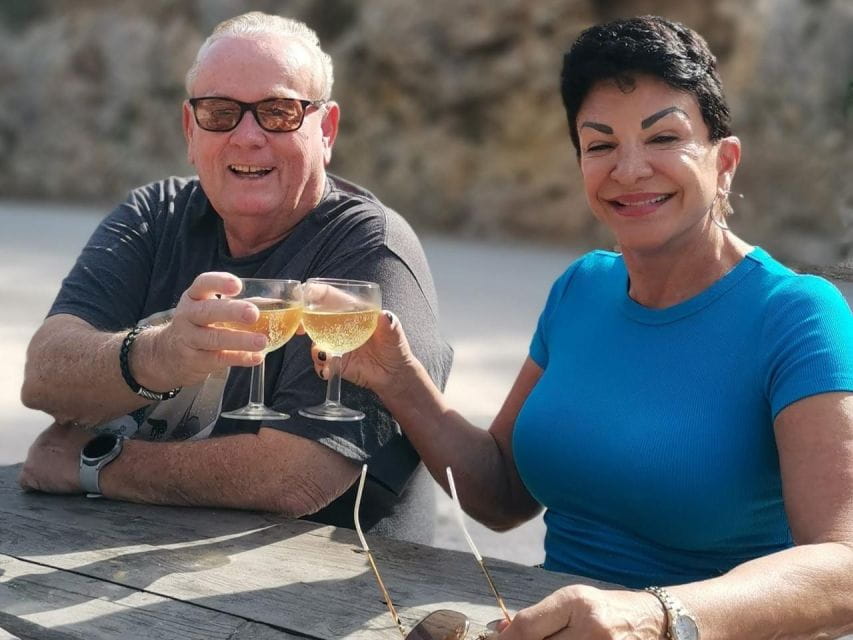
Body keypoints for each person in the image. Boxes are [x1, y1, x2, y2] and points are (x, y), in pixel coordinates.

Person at [312, 15, 853, 639]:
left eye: (663, 137)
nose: (629, 169)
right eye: (600, 144)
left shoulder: (797, 314)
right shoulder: (581, 287)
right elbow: (504, 493)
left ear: (723, 160)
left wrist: (657, 618)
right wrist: (398, 377)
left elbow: (841, 569)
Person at [18, 11, 452, 545]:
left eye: (279, 112)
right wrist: (160, 355)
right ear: (189, 130)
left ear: (327, 130)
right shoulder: (155, 213)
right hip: (139, 564)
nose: (248, 137)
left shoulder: (368, 246)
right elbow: (44, 376)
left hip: (320, 597)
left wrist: (95, 464)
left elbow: (298, 474)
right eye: (220, 112)